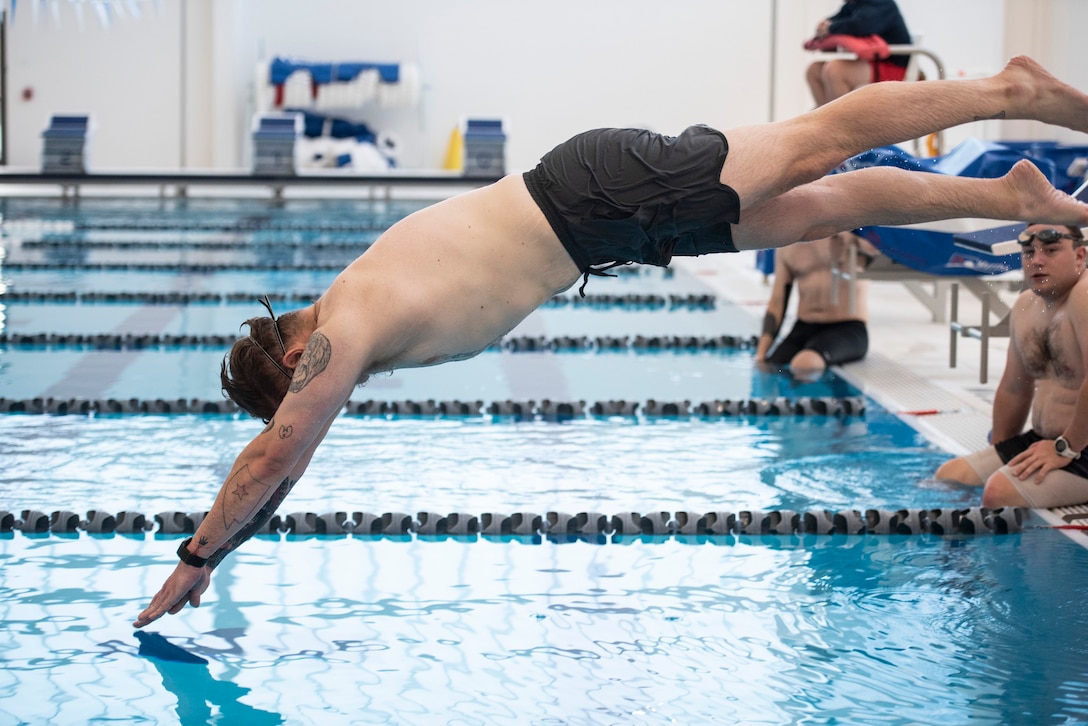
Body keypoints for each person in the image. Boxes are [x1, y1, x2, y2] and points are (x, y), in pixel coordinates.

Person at [136, 56, 1088, 628]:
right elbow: (289, 462)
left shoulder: (341, 333)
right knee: (821, 206)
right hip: (605, 230)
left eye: (296, 394)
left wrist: (195, 556)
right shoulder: (346, 312)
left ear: (290, 365)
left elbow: (277, 452)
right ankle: (1010, 199)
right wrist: (225, 548)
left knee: (817, 142)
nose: (315, 406)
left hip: (597, 198)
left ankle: (1008, 89)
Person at [934, 223, 1088, 508]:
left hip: (1077, 446)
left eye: (1051, 250)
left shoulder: (1085, 294)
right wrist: (1000, 450)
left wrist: (1065, 448)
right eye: (1029, 252)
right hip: (1047, 441)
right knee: (953, 476)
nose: (1037, 260)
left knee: (999, 493)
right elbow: (1015, 388)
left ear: (1080, 256)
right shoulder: (1026, 305)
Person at [756, 232, 879, 379]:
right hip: (804, 327)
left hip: (847, 328)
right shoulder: (788, 246)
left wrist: (851, 232)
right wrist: (761, 355)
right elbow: (777, 303)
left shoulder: (853, 236)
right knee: (771, 365)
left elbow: (879, 250)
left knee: (804, 364)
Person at [805, 0, 913, 107]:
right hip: (870, 64)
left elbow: (860, 26)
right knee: (814, 70)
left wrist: (830, 28)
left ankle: (843, 122)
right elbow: (835, 21)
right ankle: (825, 120)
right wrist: (824, 26)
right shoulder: (852, 5)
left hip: (892, 67)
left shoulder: (882, 3)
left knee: (835, 70)